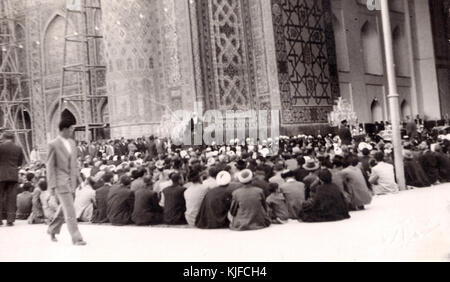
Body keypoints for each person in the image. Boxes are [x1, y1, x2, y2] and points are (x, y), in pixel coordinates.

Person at [46, 119, 86, 245]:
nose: (72, 131)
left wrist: (79, 179)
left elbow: (74, 164)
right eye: (71, 129)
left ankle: (52, 229)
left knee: (65, 208)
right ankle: (76, 238)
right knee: (70, 210)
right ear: (64, 129)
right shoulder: (53, 144)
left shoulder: (72, 143)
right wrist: (51, 188)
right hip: (60, 182)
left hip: (72, 182)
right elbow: (50, 167)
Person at [0, 132, 24, 227]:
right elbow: (19, 163)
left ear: (5, 137)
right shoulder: (18, 148)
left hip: (1, 175)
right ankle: (10, 220)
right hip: (13, 175)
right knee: (12, 198)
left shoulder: (0, 147)